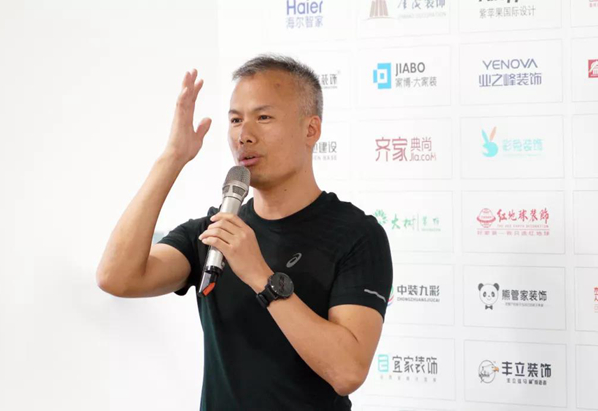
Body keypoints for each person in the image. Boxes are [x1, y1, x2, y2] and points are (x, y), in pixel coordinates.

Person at [96, 54, 393, 410]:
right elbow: (117, 278)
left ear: (311, 130)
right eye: (236, 120)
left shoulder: (356, 234)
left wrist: (261, 277)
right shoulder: (214, 233)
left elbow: (347, 371)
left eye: (263, 118)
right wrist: (172, 157)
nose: (244, 135)